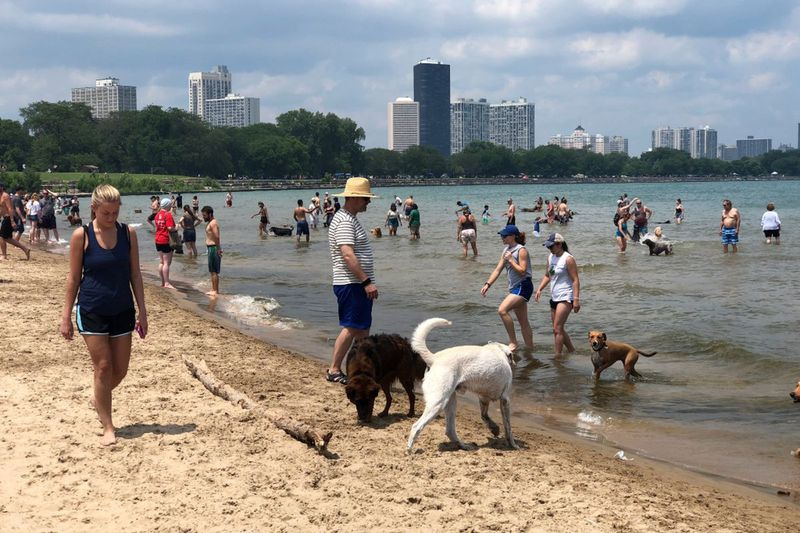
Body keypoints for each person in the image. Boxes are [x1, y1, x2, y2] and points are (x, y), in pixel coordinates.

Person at [59, 184, 147, 446]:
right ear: (94, 208)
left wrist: (143, 310)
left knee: (120, 370)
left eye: (115, 212)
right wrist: (65, 316)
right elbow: (73, 277)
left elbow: (136, 274)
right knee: (104, 367)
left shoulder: (128, 234)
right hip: (92, 309)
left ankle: (98, 398)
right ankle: (108, 426)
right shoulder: (81, 236)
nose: (111, 218)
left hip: (122, 309)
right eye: (106, 213)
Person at [326, 177, 378, 384]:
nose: (368, 202)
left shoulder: (348, 218)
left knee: (362, 329)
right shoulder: (345, 221)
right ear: (355, 198)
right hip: (351, 283)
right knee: (352, 326)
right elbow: (347, 254)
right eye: (366, 199)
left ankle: (361, 369)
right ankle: (334, 369)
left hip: (354, 282)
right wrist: (366, 282)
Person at [480, 225, 533, 352]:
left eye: (504, 235)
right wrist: (488, 284)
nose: (502, 238)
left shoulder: (521, 250)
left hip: (523, 286)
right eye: (501, 235)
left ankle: (513, 343)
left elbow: (522, 271)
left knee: (502, 310)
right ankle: (530, 349)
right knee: (523, 321)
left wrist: (511, 260)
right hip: (515, 287)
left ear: (513, 236)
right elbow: (498, 270)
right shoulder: (506, 251)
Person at [534, 232, 580, 356]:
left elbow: (575, 279)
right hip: (554, 296)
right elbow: (547, 275)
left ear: (559, 244)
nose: (549, 249)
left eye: (551, 246)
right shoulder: (550, 257)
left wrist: (576, 300)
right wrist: (539, 289)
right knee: (558, 328)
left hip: (566, 296)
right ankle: (572, 351)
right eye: (548, 247)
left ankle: (557, 356)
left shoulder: (568, 259)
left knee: (557, 329)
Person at [0, 183, 31, 260]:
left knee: (3, 237)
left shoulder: (5, 196)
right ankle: (25, 249)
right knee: (7, 238)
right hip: (5, 218)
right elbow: (2, 209)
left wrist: (12, 221)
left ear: (2, 187)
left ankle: (4, 255)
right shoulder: (0, 196)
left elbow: (10, 209)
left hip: (9, 218)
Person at [154, 197, 176, 289]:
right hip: (166, 239)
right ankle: (167, 283)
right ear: (168, 205)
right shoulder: (168, 215)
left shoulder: (157, 214)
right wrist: (177, 228)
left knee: (162, 262)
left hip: (158, 239)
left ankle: (163, 282)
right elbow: (170, 228)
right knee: (167, 262)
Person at [202, 206, 222, 296]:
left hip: (214, 248)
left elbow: (217, 236)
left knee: (214, 270)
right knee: (212, 270)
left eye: (205, 215)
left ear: (210, 214)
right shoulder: (211, 222)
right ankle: (214, 289)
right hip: (211, 248)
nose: (203, 217)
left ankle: (215, 291)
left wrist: (218, 249)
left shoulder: (213, 223)